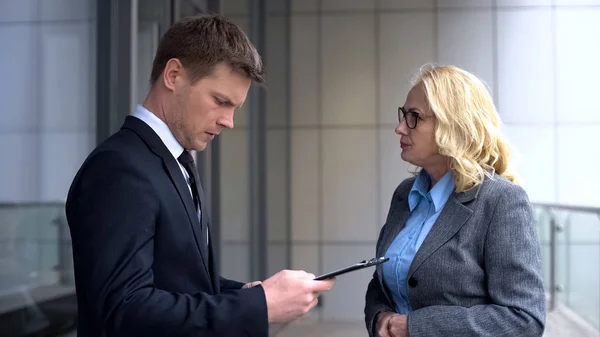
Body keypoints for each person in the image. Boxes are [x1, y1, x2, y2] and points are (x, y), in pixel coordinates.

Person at [66, 14, 335, 337]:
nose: (229, 121)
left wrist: (251, 294)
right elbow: (124, 310)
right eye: (221, 101)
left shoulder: (174, 161)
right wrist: (258, 305)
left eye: (235, 107)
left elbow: (181, 285)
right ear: (174, 75)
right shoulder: (119, 169)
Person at [364, 65, 545, 337]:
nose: (400, 128)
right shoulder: (404, 194)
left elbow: (523, 319)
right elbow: (383, 281)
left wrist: (415, 327)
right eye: (403, 115)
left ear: (454, 125)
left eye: (414, 117)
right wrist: (380, 318)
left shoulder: (501, 201)